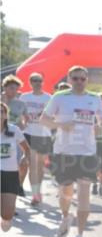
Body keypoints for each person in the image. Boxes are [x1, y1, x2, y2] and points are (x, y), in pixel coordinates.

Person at [40, 66, 102, 237]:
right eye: (75, 78)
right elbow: (43, 119)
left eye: (82, 79)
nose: (78, 82)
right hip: (64, 152)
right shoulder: (59, 97)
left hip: (87, 152)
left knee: (84, 195)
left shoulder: (94, 99)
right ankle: (65, 215)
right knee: (65, 192)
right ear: (69, 79)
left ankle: (79, 236)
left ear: (87, 80)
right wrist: (61, 124)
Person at [20, 73, 53, 205]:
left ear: (43, 82)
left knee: (40, 167)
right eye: (34, 80)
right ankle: (35, 194)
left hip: (44, 135)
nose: (37, 82)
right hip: (29, 133)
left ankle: (37, 190)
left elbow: (54, 115)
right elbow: (18, 114)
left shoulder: (49, 98)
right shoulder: (24, 97)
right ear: (30, 82)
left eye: (39, 80)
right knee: (33, 166)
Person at [1, 102, 30, 232]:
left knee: (7, 213)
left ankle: (5, 219)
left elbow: (27, 149)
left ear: (6, 115)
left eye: (2, 111)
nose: (0, 114)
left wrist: (25, 158)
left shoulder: (14, 130)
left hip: (10, 174)